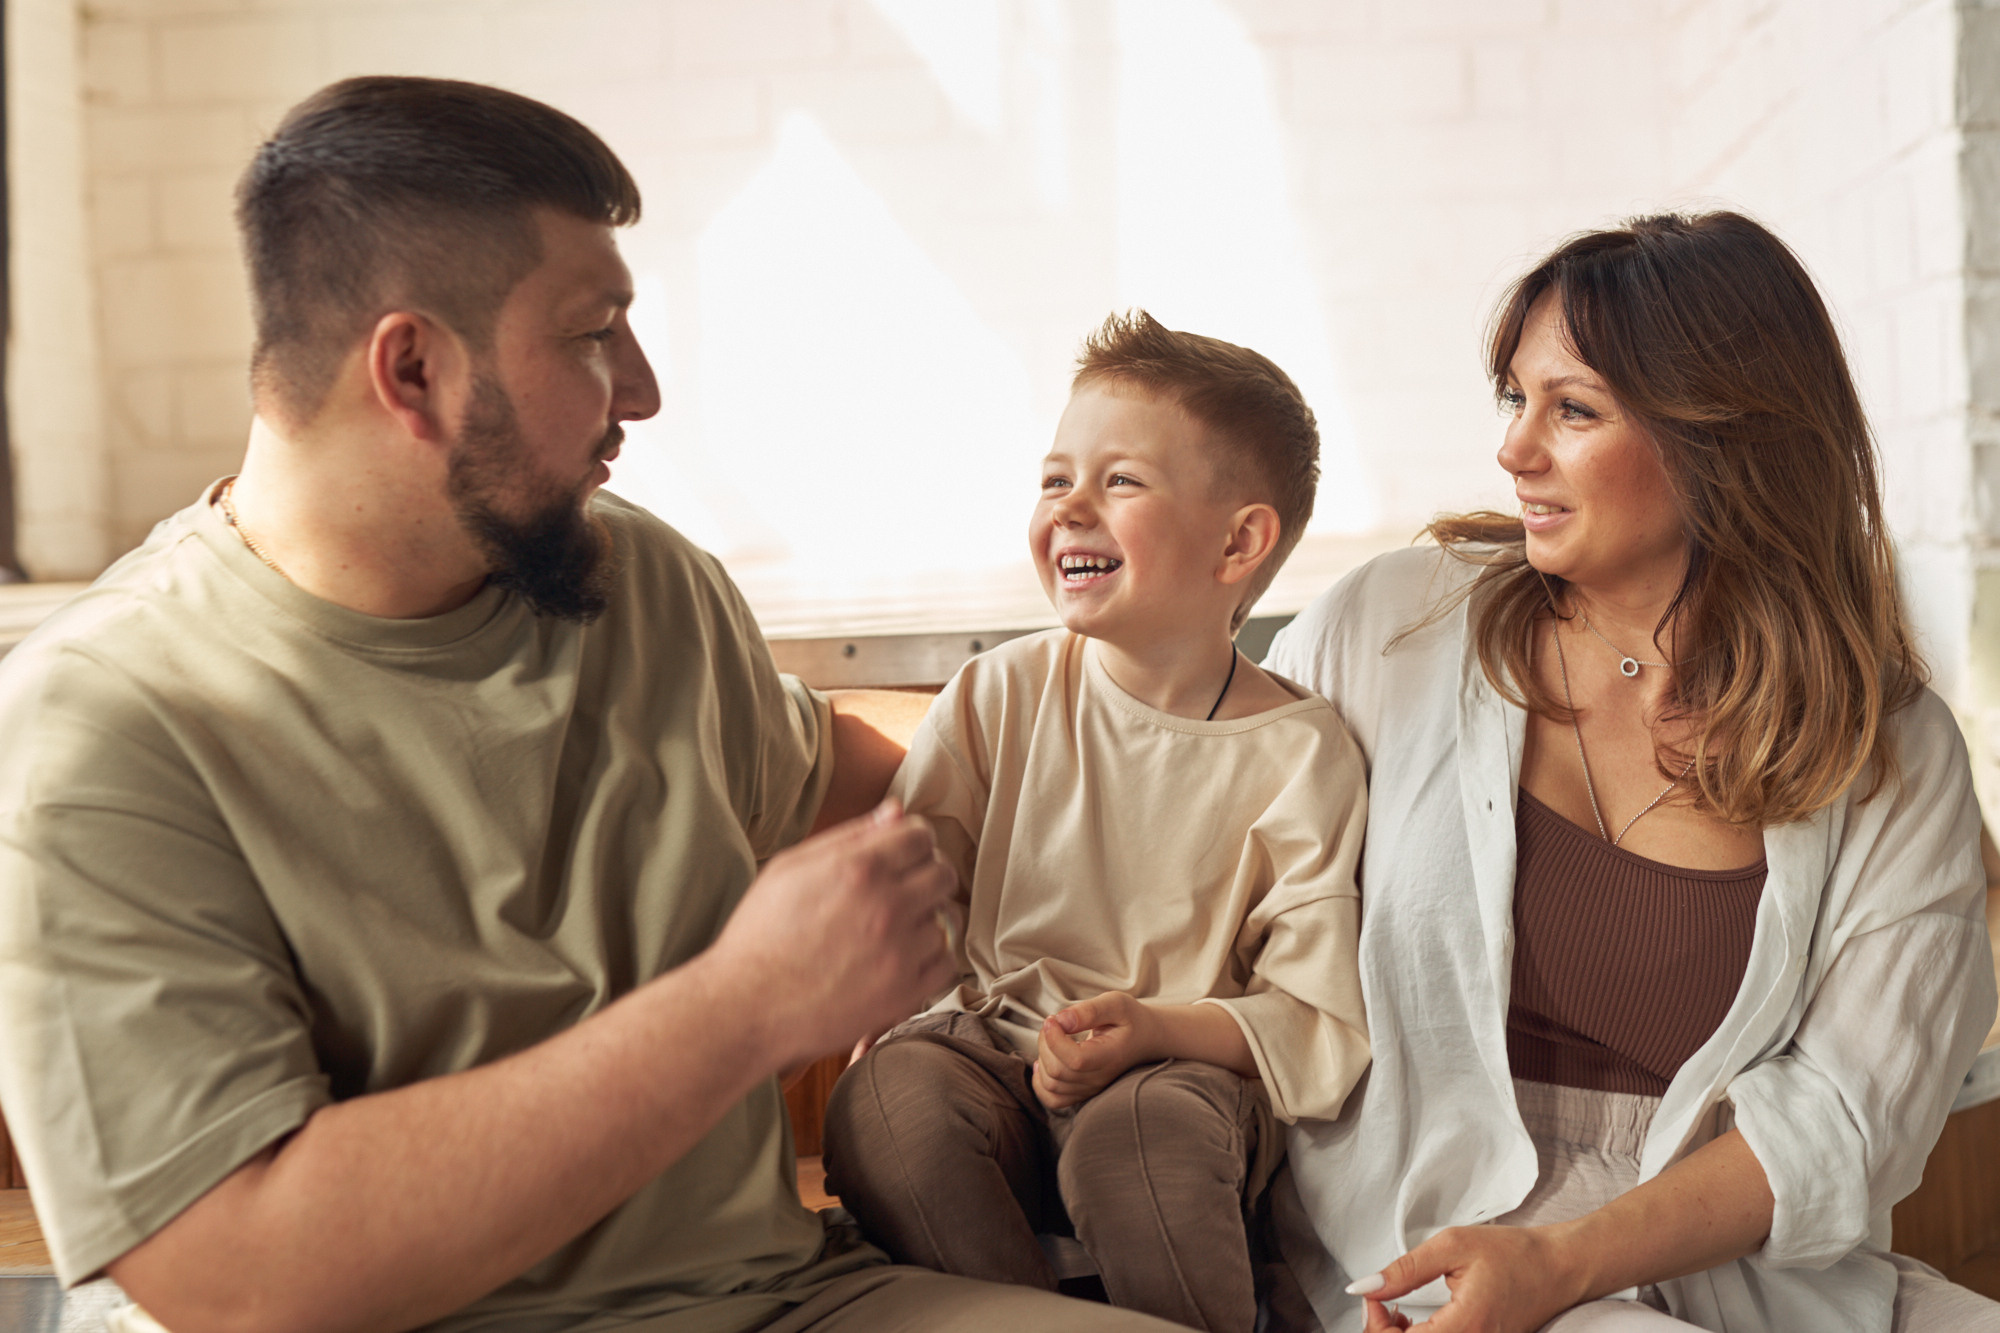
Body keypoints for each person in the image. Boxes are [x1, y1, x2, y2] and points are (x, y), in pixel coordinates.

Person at [0, 76, 1182, 1333]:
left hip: (772, 1299)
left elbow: (855, 771)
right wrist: (743, 1009)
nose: (642, 388)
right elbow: (238, 1277)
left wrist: (1235, 750)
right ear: (412, 368)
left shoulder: (639, 582)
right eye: (590, 332)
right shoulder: (99, 728)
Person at [1263, 211, 2000, 1333]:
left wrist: (1567, 1261)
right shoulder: (1384, 633)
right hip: (1423, 1257)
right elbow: (1209, 871)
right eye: (1514, 398)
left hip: (1735, 1266)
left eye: (1572, 409)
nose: (1513, 450)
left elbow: (1847, 1115)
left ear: (1721, 439)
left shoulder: (1886, 748)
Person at [821, 312, 1372, 1333]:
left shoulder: (1299, 753)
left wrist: (1154, 1028)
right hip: (985, 1047)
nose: (1070, 506)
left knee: (1143, 1141)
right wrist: (875, 1027)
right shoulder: (999, 692)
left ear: (1237, 541)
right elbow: (903, 894)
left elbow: (1315, 1013)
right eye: (1052, 479)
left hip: (1174, 1070)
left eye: (1118, 481)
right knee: (889, 1109)